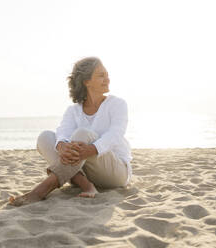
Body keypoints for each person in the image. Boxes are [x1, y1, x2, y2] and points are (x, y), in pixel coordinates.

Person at [9, 57, 132, 206]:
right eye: (101, 75)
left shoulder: (117, 104)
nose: (107, 79)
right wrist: (62, 146)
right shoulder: (73, 110)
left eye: (106, 74)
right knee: (45, 137)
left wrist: (92, 149)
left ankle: (41, 190)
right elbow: (63, 131)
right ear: (87, 81)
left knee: (82, 134)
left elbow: (116, 134)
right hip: (83, 171)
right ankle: (86, 184)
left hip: (114, 172)